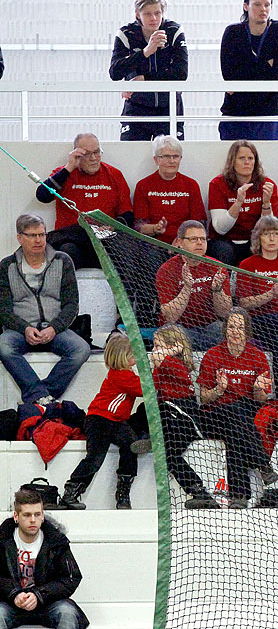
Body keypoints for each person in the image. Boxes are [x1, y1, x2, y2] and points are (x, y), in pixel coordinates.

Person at [0, 214, 89, 405]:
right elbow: (4, 310)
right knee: (3, 345)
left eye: (41, 234)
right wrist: (24, 328)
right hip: (20, 331)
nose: (38, 240)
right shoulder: (7, 266)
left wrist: (54, 328)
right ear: (19, 237)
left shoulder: (62, 261)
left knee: (81, 349)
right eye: (32, 235)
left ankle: (41, 395)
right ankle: (40, 395)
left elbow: (71, 304)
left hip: (55, 329)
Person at [197, 308, 278, 509]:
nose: (235, 331)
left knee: (235, 432)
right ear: (225, 330)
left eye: (240, 327)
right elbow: (204, 398)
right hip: (215, 414)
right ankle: (262, 464)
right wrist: (219, 389)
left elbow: (261, 399)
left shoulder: (258, 357)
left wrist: (258, 389)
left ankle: (239, 496)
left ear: (247, 331)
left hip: (244, 415)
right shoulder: (212, 355)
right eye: (231, 326)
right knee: (234, 413)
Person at [56, 334, 142, 511]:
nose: (137, 358)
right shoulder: (121, 376)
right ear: (123, 358)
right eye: (133, 355)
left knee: (131, 445)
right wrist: (157, 370)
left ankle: (123, 490)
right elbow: (145, 389)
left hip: (118, 421)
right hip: (99, 419)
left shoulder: (127, 374)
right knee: (95, 455)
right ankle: (71, 492)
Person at [130, 135, 206, 327]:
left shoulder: (191, 185)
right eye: (166, 157)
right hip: (154, 243)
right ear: (156, 160)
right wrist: (155, 229)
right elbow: (138, 225)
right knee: (148, 256)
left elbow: (199, 222)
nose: (172, 160)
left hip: (184, 243)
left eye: (176, 156)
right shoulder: (144, 186)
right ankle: (148, 319)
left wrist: (181, 242)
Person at [144, 324, 219, 509]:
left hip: (185, 419)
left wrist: (172, 351)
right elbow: (152, 388)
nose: (153, 350)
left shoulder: (175, 363)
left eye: (157, 345)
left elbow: (159, 359)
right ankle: (199, 492)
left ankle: (150, 436)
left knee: (162, 410)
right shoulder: (162, 366)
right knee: (167, 454)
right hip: (171, 420)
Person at [35, 133, 133, 269]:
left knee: (125, 252)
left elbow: (127, 214)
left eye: (97, 152)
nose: (93, 158)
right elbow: (42, 196)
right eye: (87, 154)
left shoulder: (114, 174)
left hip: (104, 240)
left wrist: (112, 227)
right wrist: (69, 167)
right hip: (73, 242)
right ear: (77, 155)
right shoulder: (64, 174)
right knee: (66, 252)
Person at [236, 216, 278, 398]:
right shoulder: (247, 265)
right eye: (267, 234)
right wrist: (270, 295)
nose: (272, 239)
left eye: (276, 234)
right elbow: (244, 303)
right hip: (257, 322)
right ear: (259, 238)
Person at [0, 489, 89, 629]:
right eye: (27, 515)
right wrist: (14, 594)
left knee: (67, 613)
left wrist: (38, 595)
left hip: (47, 603)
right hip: (10, 603)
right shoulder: (2, 540)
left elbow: (71, 578)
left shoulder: (56, 541)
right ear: (16, 516)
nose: (33, 520)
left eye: (37, 514)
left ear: (43, 515)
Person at [109, 0, 188, 141]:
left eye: (157, 13)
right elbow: (115, 72)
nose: (154, 18)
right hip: (137, 106)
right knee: (132, 156)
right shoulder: (127, 34)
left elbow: (181, 73)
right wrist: (145, 52)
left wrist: (144, 79)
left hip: (169, 106)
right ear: (137, 14)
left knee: (170, 156)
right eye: (147, 14)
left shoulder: (173, 31)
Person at [219, 0, 278, 141]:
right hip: (235, 112)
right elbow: (229, 75)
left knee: (265, 161)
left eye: (267, 5)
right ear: (246, 6)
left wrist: (245, 68)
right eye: (257, 5)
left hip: (267, 112)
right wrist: (265, 65)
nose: (263, 9)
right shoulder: (233, 33)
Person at [155, 220, 232, 350]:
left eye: (203, 239)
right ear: (180, 243)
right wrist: (187, 287)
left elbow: (225, 313)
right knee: (176, 334)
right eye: (193, 239)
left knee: (222, 329)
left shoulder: (217, 267)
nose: (200, 243)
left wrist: (217, 290)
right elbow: (170, 317)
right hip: (178, 328)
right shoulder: (166, 270)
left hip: (209, 327)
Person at [207, 140, 278, 266]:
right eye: (241, 158)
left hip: (254, 239)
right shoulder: (217, 184)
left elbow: (269, 228)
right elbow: (220, 229)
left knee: (266, 248)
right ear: (232, 161)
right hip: (224, 239)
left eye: (251, 158)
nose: (247, 162)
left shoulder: (267, 184)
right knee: (224, 251)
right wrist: (238, 202)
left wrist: (266, 203)